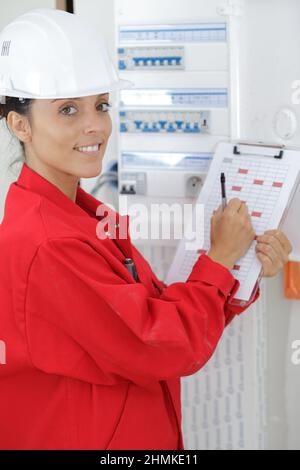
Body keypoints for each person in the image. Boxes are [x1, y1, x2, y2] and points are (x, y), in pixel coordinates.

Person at [0, 8, 292, 450]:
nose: (94, 125)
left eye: (100, 105)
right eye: (67, 110)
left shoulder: (79, 219)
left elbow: (157, 313)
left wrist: (238, 267)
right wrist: (219, 260)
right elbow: (158, 344)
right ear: (20, 124)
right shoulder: (50, 244)